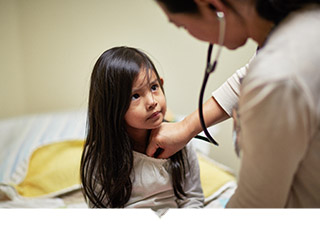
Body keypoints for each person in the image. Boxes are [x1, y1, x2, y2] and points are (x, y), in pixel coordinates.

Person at [146, 0, 320, 207]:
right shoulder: (303, 24)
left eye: (182, 25)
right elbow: (247, 75)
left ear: (213, 6)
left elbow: (256, 207)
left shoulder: (277, 77)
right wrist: (185, 128)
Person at [80, 46, 204, 215]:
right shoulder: (99, 158)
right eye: (135, 96)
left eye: (154, 87)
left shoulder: (179, 141)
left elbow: (192, 199)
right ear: (112, 107)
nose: (152, 101)